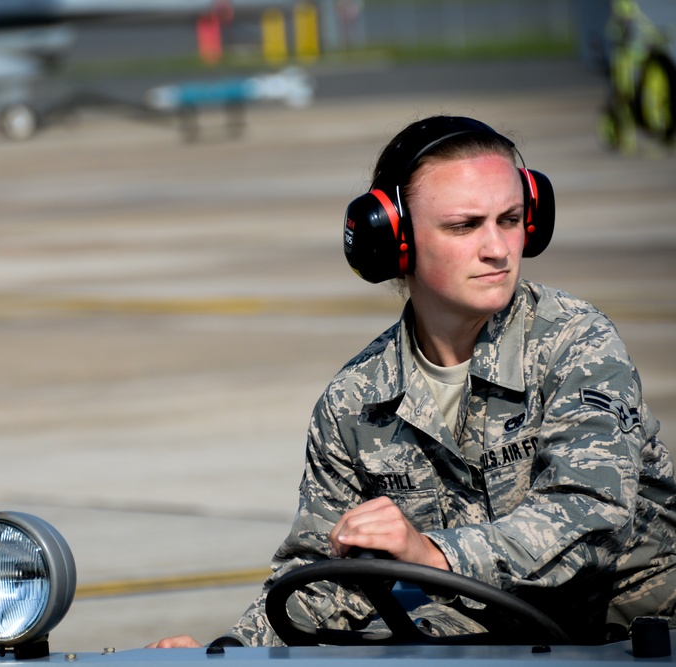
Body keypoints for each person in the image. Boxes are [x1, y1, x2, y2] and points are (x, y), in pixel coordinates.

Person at [148, 115, 676, 649]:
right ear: (395, 241)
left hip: (639, 637)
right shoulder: (355, 402)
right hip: (500, 639)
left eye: (510, 219)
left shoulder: (575, 343)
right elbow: (323, 579)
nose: (497, 248)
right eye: (464, 226)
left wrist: (432, 555)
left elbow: (588, 524)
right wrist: (226, 653)